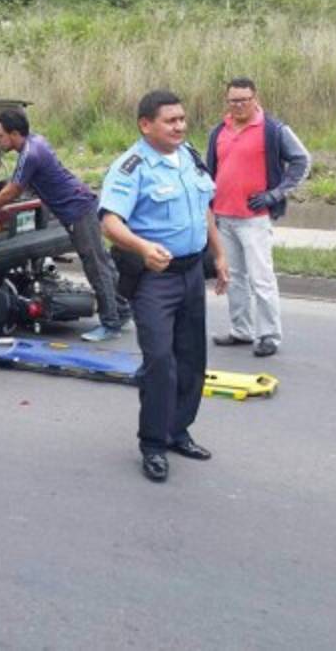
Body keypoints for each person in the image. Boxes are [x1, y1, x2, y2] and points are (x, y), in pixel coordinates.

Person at [99, 89, 230, 483]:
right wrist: (141, 247)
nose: (180, 126)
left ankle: (177, 431)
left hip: (192, 273)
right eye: (170, 121)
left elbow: (204, 205)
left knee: (191, 360)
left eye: (182, 119)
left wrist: (219, 255)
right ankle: (153, 444)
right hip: (155, 278)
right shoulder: (131, 166)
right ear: (145, 124)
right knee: (159, 361)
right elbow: (109, 221)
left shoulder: (189, 155)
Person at [0, 109, 132, 342]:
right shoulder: (37, 141)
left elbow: (12, 190)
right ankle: (120, 312)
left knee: (96, 267)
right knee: (102, 262)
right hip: (83, 205)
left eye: (0, 136)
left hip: (78, 211)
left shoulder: (29, 154)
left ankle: (110, 323)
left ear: (13, 133)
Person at [206, 77, 311, 358]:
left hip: (254, 218)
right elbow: (210, 172)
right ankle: (242, 330)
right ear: (227, 101)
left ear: (255, 98)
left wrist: (275, 195)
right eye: (233, 100)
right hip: (223, 217)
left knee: (261, 279)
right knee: (234, 278)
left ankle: (269, 335)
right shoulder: (219, 131)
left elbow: (302, 161)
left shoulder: (273, 129)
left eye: (244, 99)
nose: (239, 105)